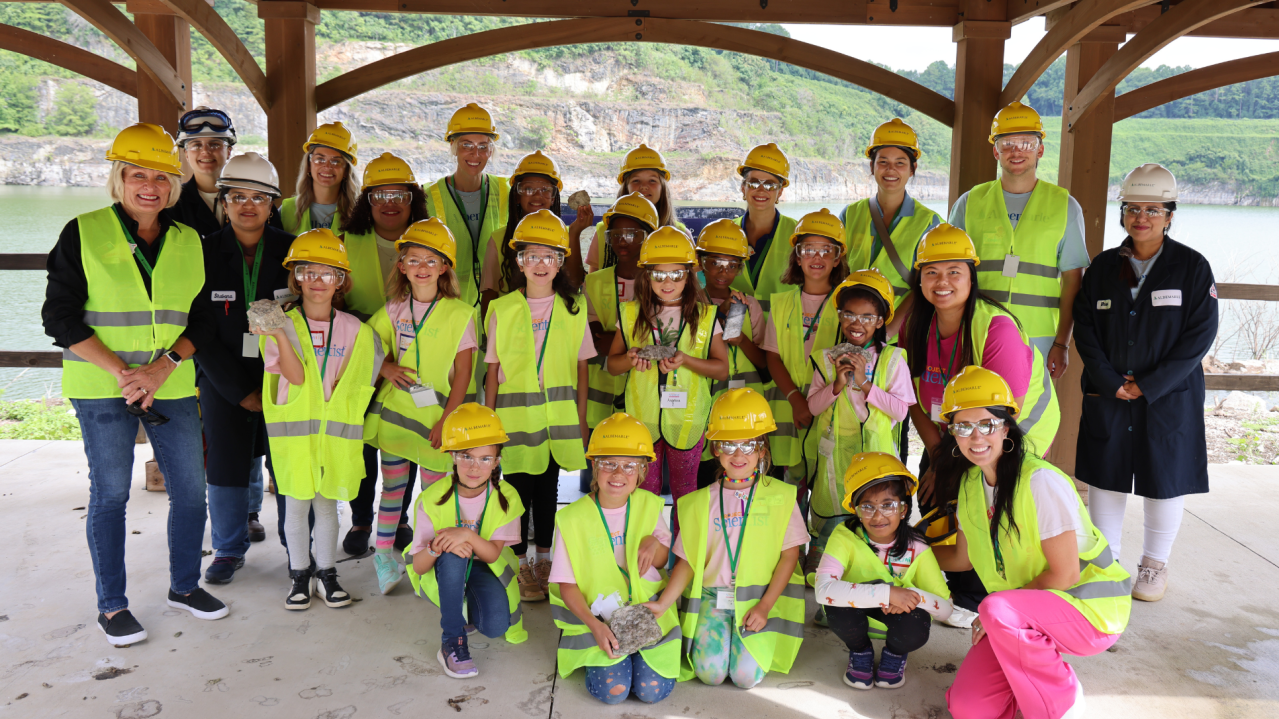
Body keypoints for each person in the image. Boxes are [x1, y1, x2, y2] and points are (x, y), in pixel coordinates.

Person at [42, 123, 226, 646]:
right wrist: (124, 373)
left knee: (192, 493)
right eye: (138, 174)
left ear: (177, 183)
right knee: (111, 494)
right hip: (103, 386)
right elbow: (59, 317)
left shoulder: (193, 241)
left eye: (163, 176)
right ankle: (112, 605)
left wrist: (162, 367)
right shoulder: (84, 232)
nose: (151, 186)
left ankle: (185, 587)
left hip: (169, 382)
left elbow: (204, 322)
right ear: (118, 178)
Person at [929, 367, 1132, 719]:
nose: (975, 437)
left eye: (986, 424)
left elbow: (1066, 574)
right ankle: (1027, 690)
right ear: (953, 434)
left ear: (1006, 427)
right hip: (1022, 613)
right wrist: (903, 551)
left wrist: (1002, 612)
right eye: (963, 426)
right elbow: (963, 558)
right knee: (969, 709)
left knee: (995, 611)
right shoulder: (969, 486)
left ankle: (1064, 705)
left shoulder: (1040, 482)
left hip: (1089, 610)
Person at [1072, 164, 1217, 603]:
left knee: (1164, 476)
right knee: (1106, 475)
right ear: (1123, 212)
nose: (1142, 217)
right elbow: (1085, 327)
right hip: (1109, 391)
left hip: (1168, 396)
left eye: (1153, 209)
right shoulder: (1102, 268)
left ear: (1170, 215)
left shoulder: (1191, 267)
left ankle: (1154, 566)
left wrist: (1149, 385)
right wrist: (1108, 379)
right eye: (1133, 208)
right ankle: (1106, 563)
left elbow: (1199, 337)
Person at [902, 223, 1060, 628]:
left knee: (986, 503)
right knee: (934, 493)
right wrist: (937, 459)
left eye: (955, 271)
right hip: (953, 435)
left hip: (1010, 432)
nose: (943, 282)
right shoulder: (916, 326)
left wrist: (953, 470)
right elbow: (913, 398)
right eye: (932, 272)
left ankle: (980, 593)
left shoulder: (996, 329)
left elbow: (997, 421)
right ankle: (955, 579)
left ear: (972, 276)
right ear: (918, 279)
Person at [643, 388, 806, 688]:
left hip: (758, 601)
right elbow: (688, 563)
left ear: (762, 449)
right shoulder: (696, 503)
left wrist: (765, 606)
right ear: (715, 448)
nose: (739, 454)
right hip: (712, 599)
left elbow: (790, 556)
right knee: (710, 674)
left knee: (745, 678)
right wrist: (664, 604)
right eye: (729, 445)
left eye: (749, 445)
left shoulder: (782, 496)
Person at [255, 229, 382, 610]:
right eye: (308, 271)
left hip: (334, 435)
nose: (317, 281)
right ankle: (299, 574)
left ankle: (327, 573)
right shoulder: (278, 323)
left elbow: (357, 381)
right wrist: (278, 332)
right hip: (294, 435)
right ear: (296, 277)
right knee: (295, 507)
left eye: (328, 273)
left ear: (340, 280)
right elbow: (294, 377)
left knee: (328, 507)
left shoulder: (356, 330)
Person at [192, 152, 294, 584]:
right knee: (226, 466)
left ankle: (298, 547)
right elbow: (196, 328)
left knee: (289, 461)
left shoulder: (295, 252)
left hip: (286, 375)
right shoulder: (202, 253)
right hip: (222, 379)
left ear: (273, 204)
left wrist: (275, 382)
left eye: (259, 197)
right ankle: (229, 549)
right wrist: (237, 390)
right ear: (224, 201)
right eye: (237, 196)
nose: (248, 205)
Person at [364, 218, 478, 594]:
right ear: (402, 266)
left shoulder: (460, 314)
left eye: (432, 260)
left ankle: (425, 558)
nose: (423, 268)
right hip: (398, 419)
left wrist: (447, 422)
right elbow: (367, 346)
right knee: (392, 490)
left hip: (436, 421)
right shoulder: (394, 308)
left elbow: (463, 373)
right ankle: (383, 556)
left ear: (445, 267)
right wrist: (386, 366)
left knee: (434, 497)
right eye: (414, 260)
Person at [484, 209, 592, 602]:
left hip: (557, 421)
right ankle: (518, 562)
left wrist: (580, 421)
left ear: (561, 262)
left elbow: (582, 370)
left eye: (550, 256)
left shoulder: (574, 306)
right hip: (513, 422)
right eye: (532, 256)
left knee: (548, 491)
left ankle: (544, 560)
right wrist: (490, 429)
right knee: (515, 492)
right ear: (519, 262)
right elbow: (492, 371)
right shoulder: (502, 308)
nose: (541, 264)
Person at [947, 102, 1089, 380]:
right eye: (1007, 142)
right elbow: (948, 272)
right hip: (977, 331)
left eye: (1026, 142)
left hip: (1039, 339)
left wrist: (1062, 343)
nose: (1016, 150)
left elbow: (1074, 279)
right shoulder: (969, 202)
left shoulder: (1065, 205)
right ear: (995, 150)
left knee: (1033, 420)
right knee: (973, 415)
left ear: (1040, 149)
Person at [549, 412, 679, 705]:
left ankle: (637, 659)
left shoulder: (650, 504)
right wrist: (596, 627)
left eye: (630, 465)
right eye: (609, 464)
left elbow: (659, 562)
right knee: (612, 693)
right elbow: (566, 586)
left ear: (642, 470)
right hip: (599, 620)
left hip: (648, 615)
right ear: (594, 466)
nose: (619, 474)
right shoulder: (571, 518)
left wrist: (653, 540)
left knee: (651, 691)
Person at [337, 151, 429, 558]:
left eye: (399, 194)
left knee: (402, 439)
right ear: (366, 200)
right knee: (361, 445)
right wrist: (376, 361)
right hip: (359, 361)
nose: (390, 203)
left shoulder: (429, 244)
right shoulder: (345, 242)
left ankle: (400, 517)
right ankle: (360, 518)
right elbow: (334, 308)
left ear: (413, 199)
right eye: (380, 194)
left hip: (411, 361)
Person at [606, 227, 729, 528]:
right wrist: (631, 357)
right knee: (644, 491)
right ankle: (646, 555)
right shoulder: (631, 313)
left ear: (689, 275)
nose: (668, 282)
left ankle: (682, 556)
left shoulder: (705, 315)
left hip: (687, 421)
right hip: (642, 420)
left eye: (676, 274)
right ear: (646, 276)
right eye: (658, 275)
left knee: (685, 491)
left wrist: (686, 360)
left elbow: (722, 368)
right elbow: (612, 365)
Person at [804, 270, 915, 585]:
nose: (857, 322)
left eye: (868, 316)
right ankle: (831, 590)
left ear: (880, 321)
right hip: (833, 460)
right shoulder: (826, 359)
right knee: (834, 520)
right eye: (849, 314)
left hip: (876, 458)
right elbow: (813, 407)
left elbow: (900, 410)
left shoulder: (892, 360)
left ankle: (873, 587)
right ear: (839, 317)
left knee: (873, 518)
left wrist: (866, 384)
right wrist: (837, 384)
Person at [404, 403, 527, 679]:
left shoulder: (507, 497)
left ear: (496, 461)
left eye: (485, 459)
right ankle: (452, 640)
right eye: (466, 456)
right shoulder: (432, 498)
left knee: (495, 626)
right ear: (453, 456)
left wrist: (467, 534)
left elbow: (492, 555)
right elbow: (420, 567)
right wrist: (439, 545)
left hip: (484, 565)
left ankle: (464, 602)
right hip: (444, 565)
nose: (475, 467)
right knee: (451, 552)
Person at [815, 452, 952, 690]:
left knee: (917, 623)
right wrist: (887, 594)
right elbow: (823, 589)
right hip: (858, 609)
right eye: (867, 506)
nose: (878, 516)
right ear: (856, 510)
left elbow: (946, 608)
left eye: (888, 505)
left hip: (897, 613)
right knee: (836, 607)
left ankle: (895, 655)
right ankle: (860, 652)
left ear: (903, 508)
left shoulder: (917, 546)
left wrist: (912, 597)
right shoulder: (844, 535)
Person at [762, 208, 849, 488]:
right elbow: (772, 356)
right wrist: (794, 399)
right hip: (789, 411)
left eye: (827, 250)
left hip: (831, 408)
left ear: (838, 259)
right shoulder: (783, 303)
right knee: (791, 487)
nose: (817, 257)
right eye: (809, 249)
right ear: (797, 256)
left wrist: (813, 401)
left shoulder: (847, 303)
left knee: (829, 486)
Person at [839, 118, 941, 337]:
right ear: (872, 166)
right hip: (850, 330)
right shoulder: (850, 214)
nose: (890, 170)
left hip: (900, 335)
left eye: (900, 163)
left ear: (913, 169)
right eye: (883, 161)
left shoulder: (929, 222)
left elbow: (928, 284)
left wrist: (888, 332)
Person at [694, 218, 769, 488]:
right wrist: (716, 314)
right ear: (701, 262)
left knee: (749, 488)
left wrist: (741, 340)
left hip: (747, 419)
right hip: (705, 418)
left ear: (740, 267)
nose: (723, 271)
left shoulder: (748, 306)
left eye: (732, 265)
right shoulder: (691, 307)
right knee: (706, 484)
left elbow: (765, 365)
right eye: (716, 262)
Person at [584, 193, 659, 431]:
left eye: (632, 234)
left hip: (645, 384)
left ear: (649, 238)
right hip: (601, 388)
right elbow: (590, 325)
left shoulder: (661, 283)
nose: (623, 241)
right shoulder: (594, 282)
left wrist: (616, 344)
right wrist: (600, 339)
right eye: (615, 235)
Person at [424, 103, 510, 306]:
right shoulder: (429, 196)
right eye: (466, 145)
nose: (475, 154)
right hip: (449, 305)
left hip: (496, 304)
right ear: (453, 147)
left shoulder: (507, 191)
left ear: (491, 150)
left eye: (483, 146)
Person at [482, 150, 592, 308]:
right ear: (517, 196)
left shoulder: (564, 235)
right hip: (511, 323)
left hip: (554, 323)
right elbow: (489, 293)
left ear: (553, 197)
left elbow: (573, 285)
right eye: (528, 189)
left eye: (545, 190)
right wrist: (489, 331)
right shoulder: (498, 238)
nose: (537, 195)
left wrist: (574, 234)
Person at [586, 144, 686, 272]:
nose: (644, 186)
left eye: (652, 180)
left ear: (663, 187)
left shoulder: (680, 232)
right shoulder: (602, 231)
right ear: (626, 187)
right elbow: (593, 279)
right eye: (636, 181)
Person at [731, 143, 798, 308]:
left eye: (770, 185)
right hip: (735, 323)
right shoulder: (726, 232)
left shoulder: (798, 234)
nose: (761, 190)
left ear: (780, 192)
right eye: (754, 183)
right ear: (743, 188)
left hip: (781, 326)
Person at [168, 106, 237, 238]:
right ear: (186, 154)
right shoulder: (172, 203)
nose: (205, 151)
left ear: (228, 151)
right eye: (196, 145)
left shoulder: (251, 196)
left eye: (215, 144)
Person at [281, 122, 359, 236]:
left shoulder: (359, 214)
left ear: (346, 170)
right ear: (309, 165)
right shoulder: (286, 211)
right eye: (319, 159)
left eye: (336, 161)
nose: (327, 167)